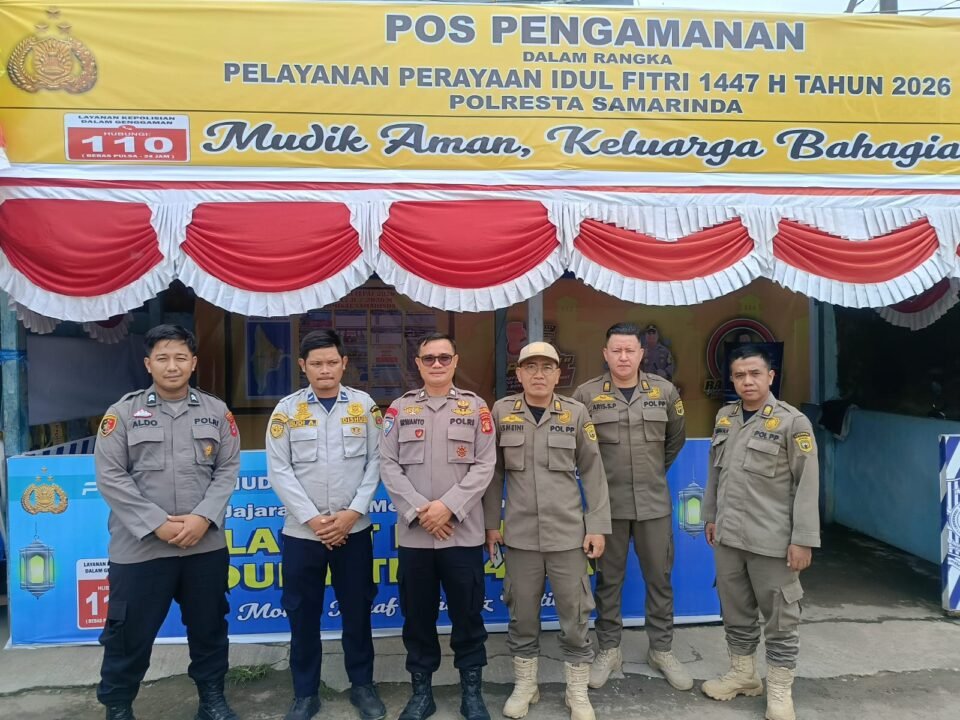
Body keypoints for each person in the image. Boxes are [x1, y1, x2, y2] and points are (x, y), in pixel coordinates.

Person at [94, 324, 241, 720]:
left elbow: (227, 470)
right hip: (140, 548)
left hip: (203, 546)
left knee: (209, 628)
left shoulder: (217, 412)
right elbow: (111, 476)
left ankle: (212, 701)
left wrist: (203, 518)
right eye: (162, 358)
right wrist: (156, 523)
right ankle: (118, 706)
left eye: (180, 357)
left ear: (193, 363)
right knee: (128, 634)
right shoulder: (122, 413)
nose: (172, 366)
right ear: (148, 364)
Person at [483, 342, 611, 720]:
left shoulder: (575, 413)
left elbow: (593, 471)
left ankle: (576, 691)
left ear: (558, 374)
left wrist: (597, 526)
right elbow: (493, 474)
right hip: (520, 536)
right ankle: (526, 685)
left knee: (575, 616)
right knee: (522, 615)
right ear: (519, 374)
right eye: (530, 367)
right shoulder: (502, 411)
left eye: (547, 368)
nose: (538, 374)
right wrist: (491, 525)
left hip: (568, 535)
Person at [265, 330, 386, 720]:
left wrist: (352, 513)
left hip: (354, 531)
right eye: (316, 363)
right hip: (303, 534)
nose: (325, 370)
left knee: (357, 610)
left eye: (332, 362)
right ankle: (305, 693)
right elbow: (279, 470)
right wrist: (315, 520)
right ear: (303, 366)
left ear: (344, 363)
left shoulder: (364, 406)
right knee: (302, 615)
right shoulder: (286, 410)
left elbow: (377, 462)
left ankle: (362, 686)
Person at [380, 333, 496, 720]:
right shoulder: (399, 409)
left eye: (444, 357)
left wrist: (447, 507)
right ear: (417, 363)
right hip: (416, 537)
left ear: (455, 361)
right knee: (417, 619)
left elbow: (485, 465)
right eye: (428, 358)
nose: (436, 364)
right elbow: (388, 465)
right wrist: (421, 511)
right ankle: (421, 694)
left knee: (468, 617)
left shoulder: (476, 408)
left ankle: (472, 693)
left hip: (461, 534)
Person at [702, 345, 820, 720]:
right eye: (739, 375)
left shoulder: (792, 422)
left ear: (770, 376)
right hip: (729, 537)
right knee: (735, 610)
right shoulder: (725, 417)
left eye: (755, 373)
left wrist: (803, 539)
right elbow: (715, 472)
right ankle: (743, 674)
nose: (747, 381)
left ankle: (780, 691)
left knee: (781, 617)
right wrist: (710, 516)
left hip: (772, 540)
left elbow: (807, 484)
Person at [572, 323, 689, 691]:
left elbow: (675, 440)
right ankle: (609, 650)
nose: (623, 357)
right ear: (605, 354)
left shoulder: (665, 392)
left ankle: (662, 649)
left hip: (654, 504)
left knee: (660, 578)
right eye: (616, 350)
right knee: (608, 581)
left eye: (630, 350)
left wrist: (651, 472)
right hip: (608, 508)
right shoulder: (586, 395)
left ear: (642, 353)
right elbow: (579, 450)